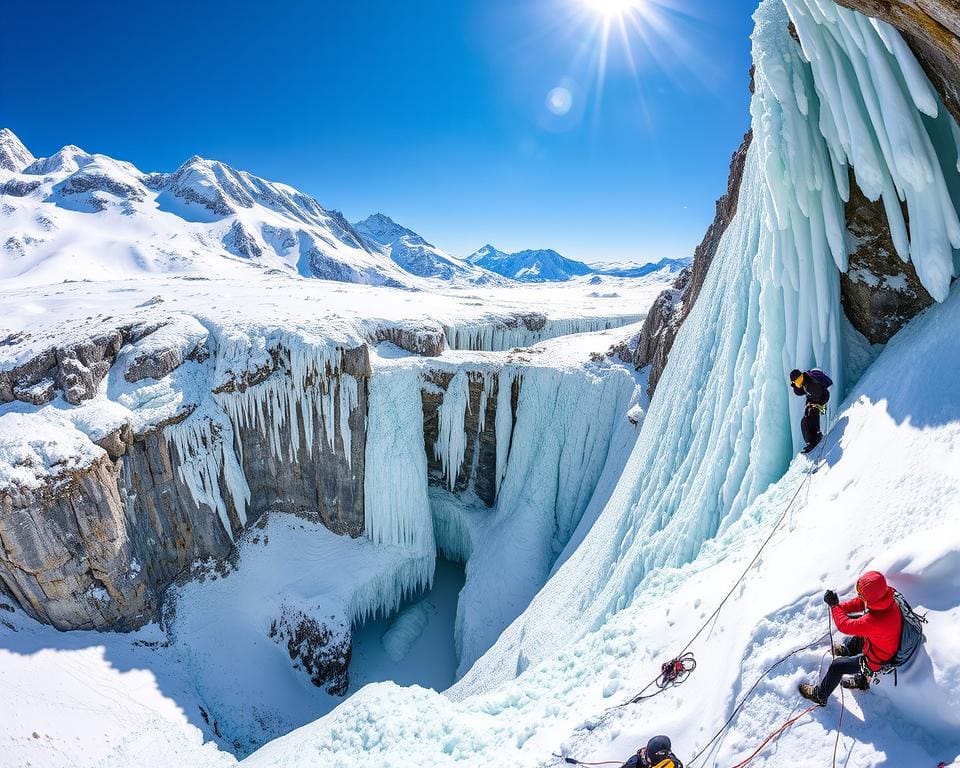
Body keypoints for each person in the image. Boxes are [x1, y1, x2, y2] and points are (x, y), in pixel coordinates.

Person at [799, 571, 903, 706]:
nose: (859, 596)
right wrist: (840, 608)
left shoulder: (876, 620)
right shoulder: (887, 596)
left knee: (837, 666)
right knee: (860, 636)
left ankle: (820, 695)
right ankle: (849, 653)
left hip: (878, 658)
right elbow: (862, 603)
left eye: (861, 593)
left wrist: (834, 606)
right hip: (885, 642)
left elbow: (845, 626)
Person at [789, 368, 831, 454]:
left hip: (823, 400)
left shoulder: (809, 384)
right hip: (820, 400)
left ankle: (814, 438)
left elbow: (819, 394)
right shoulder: (805, 381)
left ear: (800, 378)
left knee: (807, 419)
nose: (797, 383)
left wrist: (812, 404)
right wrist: (795, 387)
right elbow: (800, 392)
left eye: (796, 381)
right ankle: (813, 438)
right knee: (806, 419)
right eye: (795, 382)